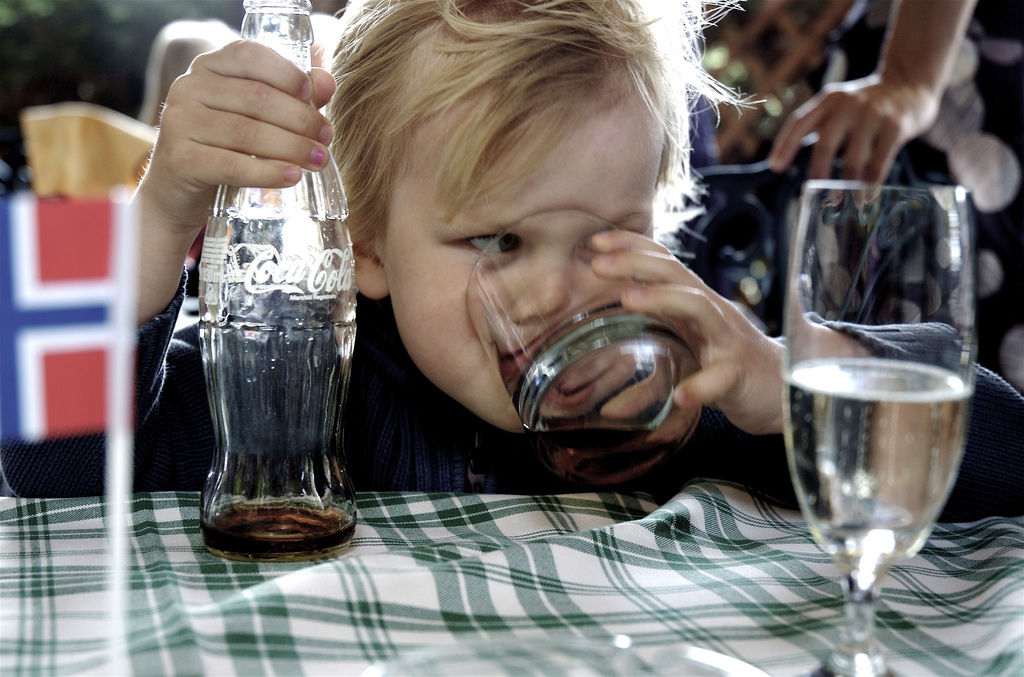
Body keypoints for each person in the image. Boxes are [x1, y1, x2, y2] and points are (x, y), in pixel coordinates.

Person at [2, 0, 1021, 522]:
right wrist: (158, 209)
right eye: (498, 240)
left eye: (606, 234)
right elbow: (42, 459)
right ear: (365, 248)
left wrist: (774, 375)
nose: (556, 294)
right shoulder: (303, 385)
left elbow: (1005, 453)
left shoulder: (665, 398)